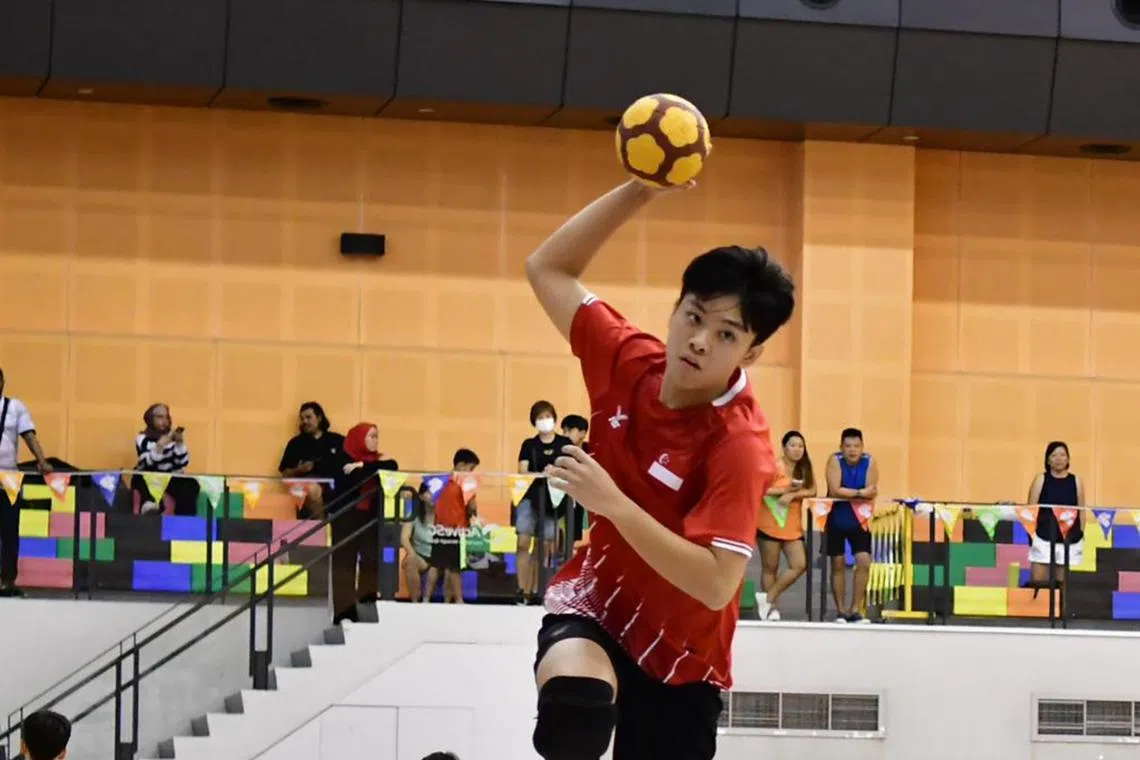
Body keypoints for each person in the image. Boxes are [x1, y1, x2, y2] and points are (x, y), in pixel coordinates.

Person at [524, 179, 794, 760]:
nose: (699, 342)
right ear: (675, 309)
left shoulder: (740, 445)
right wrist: (640, 192)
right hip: (601, 602)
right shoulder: (629, 360)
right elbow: (548, 269)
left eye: (726, 335)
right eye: (693, 317)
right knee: (574, 717)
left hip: (681, 658)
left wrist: (614, 503)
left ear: (751, 352)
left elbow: (718, 581)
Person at [329, 422, 398, 625]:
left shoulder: (377, 462)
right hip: (346, 517)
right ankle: (344, 613)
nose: (375, 440)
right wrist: (363, 469)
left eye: (377, 436)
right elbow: (354, 478)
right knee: (344, 564)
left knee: (371, 559)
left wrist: (363, 466)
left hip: (370, 518)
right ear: (359, 438)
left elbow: (392, 466)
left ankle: (367, 604)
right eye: (371, 436)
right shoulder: (342, 459)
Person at [0, 367, 52, 598]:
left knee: (10, 532)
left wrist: (42, 461)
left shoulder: (15, 407)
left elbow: (29, 435)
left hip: (8, 479)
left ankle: (7, 582)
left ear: (2, 381)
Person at [515, 401, 573, 605]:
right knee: (523, 542)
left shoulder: (564, 443)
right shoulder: (529, 445)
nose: (544, 421)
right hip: (530, 497)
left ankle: (540, 590)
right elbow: (522, 471)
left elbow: (572, 468)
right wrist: (540, 474)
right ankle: (521, 590)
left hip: (554, 502)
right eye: (540, 417)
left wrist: (555, 472)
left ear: (554, 418)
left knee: (546, 546)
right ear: (534, 421)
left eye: (547, 416)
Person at [756, 430, 815, 621]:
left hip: (792, 526)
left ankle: (768, 597)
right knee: (770, 567)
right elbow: (761, 488)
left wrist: (793, 495)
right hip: (769, 522)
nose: (797, 450)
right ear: (784, 447)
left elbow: (812, 490)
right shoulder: (774, 466)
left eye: (800, 446)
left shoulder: (804, 468)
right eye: (793, 445)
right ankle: (771, 610)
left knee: (799, 564)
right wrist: (784, 490)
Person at [824, 427, 878, 624]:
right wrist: (859, 493)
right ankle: (841, 610)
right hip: (836, 517)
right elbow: (835, 489)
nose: (852, 450)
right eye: (848, 446)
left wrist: (861, 494)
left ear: (862, 447)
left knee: (863, 561)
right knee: (837, 563)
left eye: (856, 446)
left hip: (859, 519)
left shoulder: (870, 462)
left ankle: (855, 609)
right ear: (841, 447)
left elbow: (872, 490)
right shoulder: (834, 460)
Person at [1026, 441, 1084, 585]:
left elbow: (1081, 511)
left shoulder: (1076, 481)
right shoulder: (1040, 479)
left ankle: (1060, 608)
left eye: (1063, 455)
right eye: (1054, 455)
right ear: (1048, 460)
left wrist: (1080, 533)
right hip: (1043, 537)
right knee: (1038, 581)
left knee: (1061, 585)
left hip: (1067, 539)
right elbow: (1030, 511)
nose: (1059, 458)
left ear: (1068, 459)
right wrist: (1032, 536)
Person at [278, 401, 345, 518]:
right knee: (313, 489)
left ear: (319, 418)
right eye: (302, 418)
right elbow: (285, 474)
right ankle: (322, 528)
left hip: (335, 490)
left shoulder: (337, 440)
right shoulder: (295, 443)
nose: (304, 421)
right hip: (305, 491)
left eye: (308, 417)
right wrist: (299, 470)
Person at [432, 448, 481, 604]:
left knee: (437, 565)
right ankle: (459, 599)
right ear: (461, 465)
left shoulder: (439, 481)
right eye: (471, 469)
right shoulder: (465, 484)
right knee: (454, 567)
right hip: (456, 530)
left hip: (439, 528)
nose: (472, 473)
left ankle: (427, 599)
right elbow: (472, 507)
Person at [400, 484, 439, 603]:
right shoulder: (414, 514)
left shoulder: (445, 514)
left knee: (437, 566)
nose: (433, 496)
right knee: (410, 562)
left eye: (436, 492)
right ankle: (415, 601)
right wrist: (412, 553)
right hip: (421, 555)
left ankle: (426, 601)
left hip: (440, 556)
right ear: (421, 496)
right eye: (429, 492)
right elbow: (404, 538)